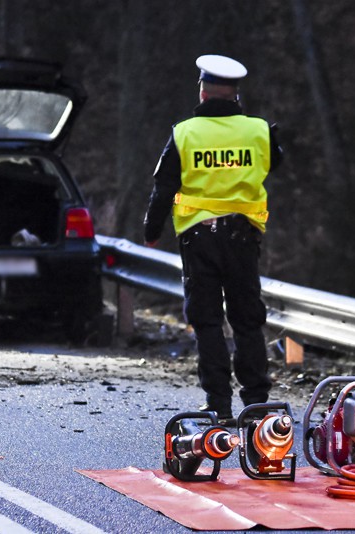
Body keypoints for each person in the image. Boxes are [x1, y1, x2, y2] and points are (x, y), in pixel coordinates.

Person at [143, 55, 282, 424]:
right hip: (243, 238)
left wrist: (151, 231)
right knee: (247, 320)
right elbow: (275, 163)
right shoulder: (259, 131)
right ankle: (256, 403)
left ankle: (218, 403)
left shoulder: (184, 132)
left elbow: (163, 187)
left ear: (202, 91)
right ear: (236, 95)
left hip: (198, 239)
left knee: (207, 322)